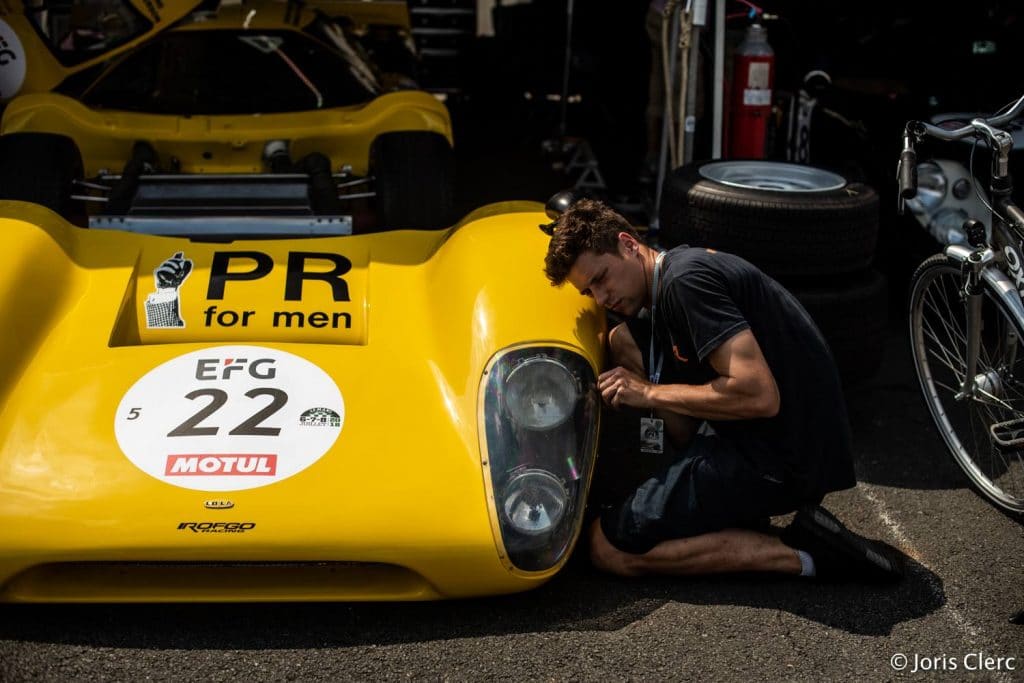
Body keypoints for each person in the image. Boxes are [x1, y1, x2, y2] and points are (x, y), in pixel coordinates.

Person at [543, 199, 903, 581]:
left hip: (780, 459)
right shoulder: (672, 274)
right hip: (785, 440)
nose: (600, 298)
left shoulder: (686, 283)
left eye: (601, 279)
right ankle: (727, 508)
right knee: (624, 341)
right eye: (589, 292)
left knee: (606, 546)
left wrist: (647, 393)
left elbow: (758, 395)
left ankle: (806, 554)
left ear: (629, 245)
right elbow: (682, 420)